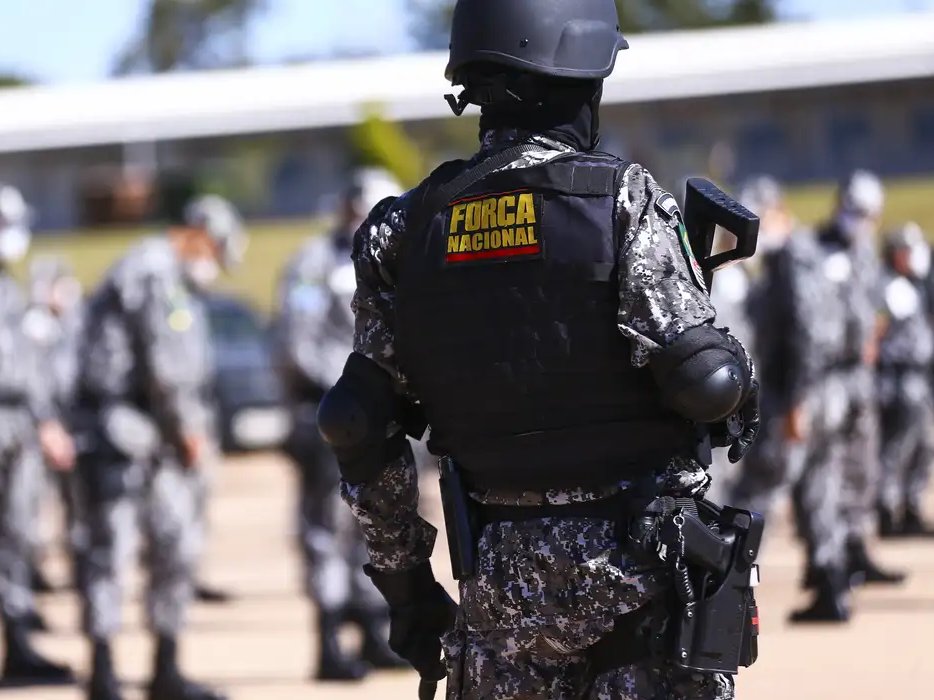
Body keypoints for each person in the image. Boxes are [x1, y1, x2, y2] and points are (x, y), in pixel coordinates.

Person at [318, 2, 761, 697]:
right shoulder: (623, 201)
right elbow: (706, 381)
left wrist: (406, 587)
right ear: (582, 78)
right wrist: (739, 375)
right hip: (639, 592)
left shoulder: (403, 229)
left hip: (497, 600)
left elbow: (356, 422)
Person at [75, 195, 247, 700]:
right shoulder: (154, 270)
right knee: (110, 552)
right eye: (214, 251)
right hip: (122, 430)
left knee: (175, 548)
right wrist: (187, 430)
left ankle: (165, 669)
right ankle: (103, 673)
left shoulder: (171, 277)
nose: (212, 264)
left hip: (156, 435)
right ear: (199, 233)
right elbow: (164, 366)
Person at [276, 169, 407, 681]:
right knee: (326, 530)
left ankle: (372, 630)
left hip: (376, 420)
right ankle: (328, 640)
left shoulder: (384, 262)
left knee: (370, 525)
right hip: (329, 416)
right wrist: (346, 391)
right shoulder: (313, 264)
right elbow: (295, 343)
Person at [779, 172, 903, 624]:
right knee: (817, 479)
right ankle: (827, 573)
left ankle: (851, 553)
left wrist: (873, 334)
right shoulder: (811, 252)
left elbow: (877, 305)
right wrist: (798, 395)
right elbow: (805, 330)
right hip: (822, 380)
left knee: (859, 469)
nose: (861, 221)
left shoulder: (864, 253)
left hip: (857, 378)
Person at [0, 185, 76, 686]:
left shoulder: (9, 289)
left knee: (16, 536)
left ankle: (19, 644)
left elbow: (27, 368)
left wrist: (46, 420)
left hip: (16, 427)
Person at [23, 258, 86, 591]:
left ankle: (79, 567)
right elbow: (32, 382)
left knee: (77, 503)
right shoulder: (32, 326)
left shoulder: (73, 324)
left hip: (72, 426)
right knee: (32, 506)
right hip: (37, 430)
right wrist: (45, 423)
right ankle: (30, 572)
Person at [876, 223, 934, 536]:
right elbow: (877, 334)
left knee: (923, 445)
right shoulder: (887, 287)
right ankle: (887, 509)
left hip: (919, 378)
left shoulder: (915, 285)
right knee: (896, 447)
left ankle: (911, 506)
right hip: (898, 378)